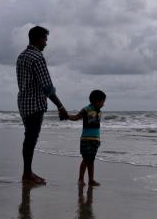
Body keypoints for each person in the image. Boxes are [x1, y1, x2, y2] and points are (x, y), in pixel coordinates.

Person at [16, 25, 69, 185]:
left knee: (29, 138)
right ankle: (27, 174)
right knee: (31, 139)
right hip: (35, 103)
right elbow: (47, 87)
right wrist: (61, 107)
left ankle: (27, 172)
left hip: (23, 102)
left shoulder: (22, 56)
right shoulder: (37, 57)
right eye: (45, 39)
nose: (46, 43)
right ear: (38, 39)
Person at [68, 90, 106, 186]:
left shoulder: (99, 111)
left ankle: (91, 180)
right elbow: (76, 117)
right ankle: (80, 179)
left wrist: (98, 139)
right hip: (86, 139)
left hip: (95, 140)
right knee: (86, 159)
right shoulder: (86, 109)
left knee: (91, 160)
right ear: (96, 101)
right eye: (102, 102)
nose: (103, 104)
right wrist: (66, 116)